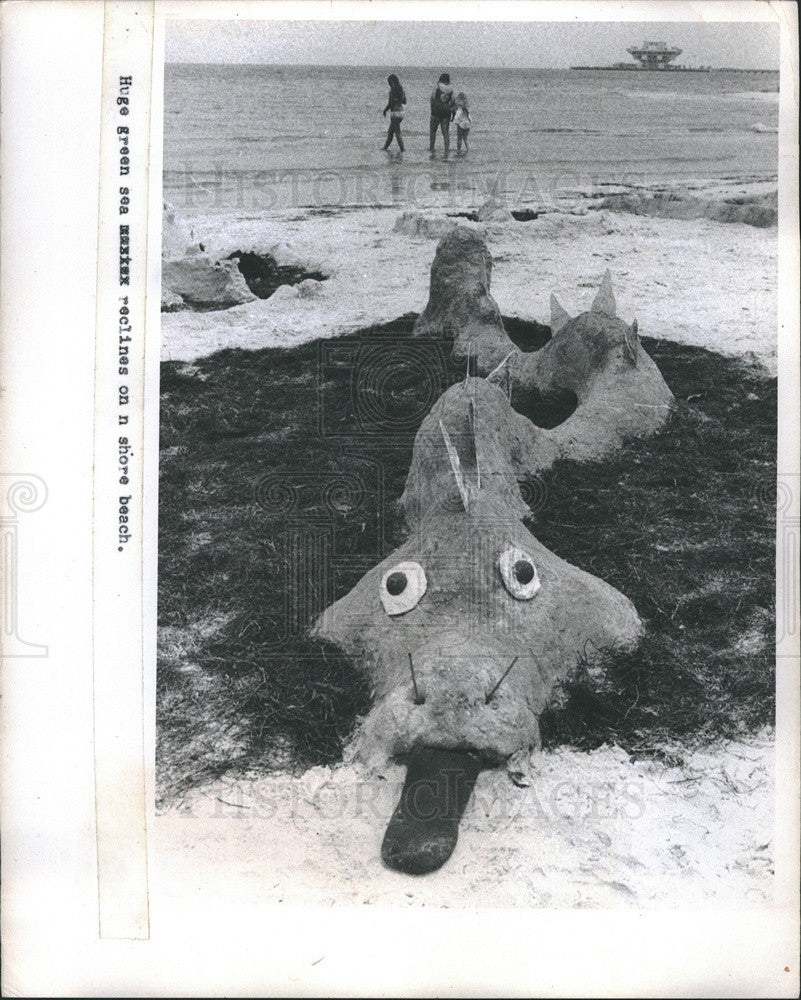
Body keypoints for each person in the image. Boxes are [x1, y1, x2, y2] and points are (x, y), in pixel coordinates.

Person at [429, 73, 455, 154]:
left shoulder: (437, 86)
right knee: (445, 132)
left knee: (433, 131)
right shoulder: (451, 89)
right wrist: (452, 113)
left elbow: (433, 98)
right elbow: (453, 101)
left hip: (436, 111)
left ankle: (432, 148)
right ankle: (446, 149)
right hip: (446, 112)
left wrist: (432, 106)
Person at [382, 74, 406, 152]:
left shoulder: (392, 90)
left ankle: (402, 149)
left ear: (391, 82)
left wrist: (385, 110)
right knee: (391, 132)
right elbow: (404, 101)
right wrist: (398, 100)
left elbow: (390, 103)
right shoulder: (401, 89)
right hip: (401, 112)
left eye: (389, 82)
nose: (389, 84)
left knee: (397, 133)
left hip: (395, 113)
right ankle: (385, 148)